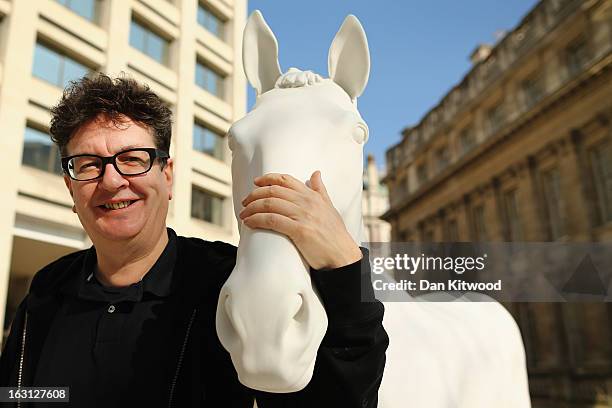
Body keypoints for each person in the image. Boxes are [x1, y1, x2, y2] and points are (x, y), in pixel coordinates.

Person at [0, 74, 387, 407]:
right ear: (71, 188)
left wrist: (346, 265)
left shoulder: (227, 282)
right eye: (88, 165)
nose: (113, 180)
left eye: (133, 159)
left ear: (167, 176)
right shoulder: (46, 291)